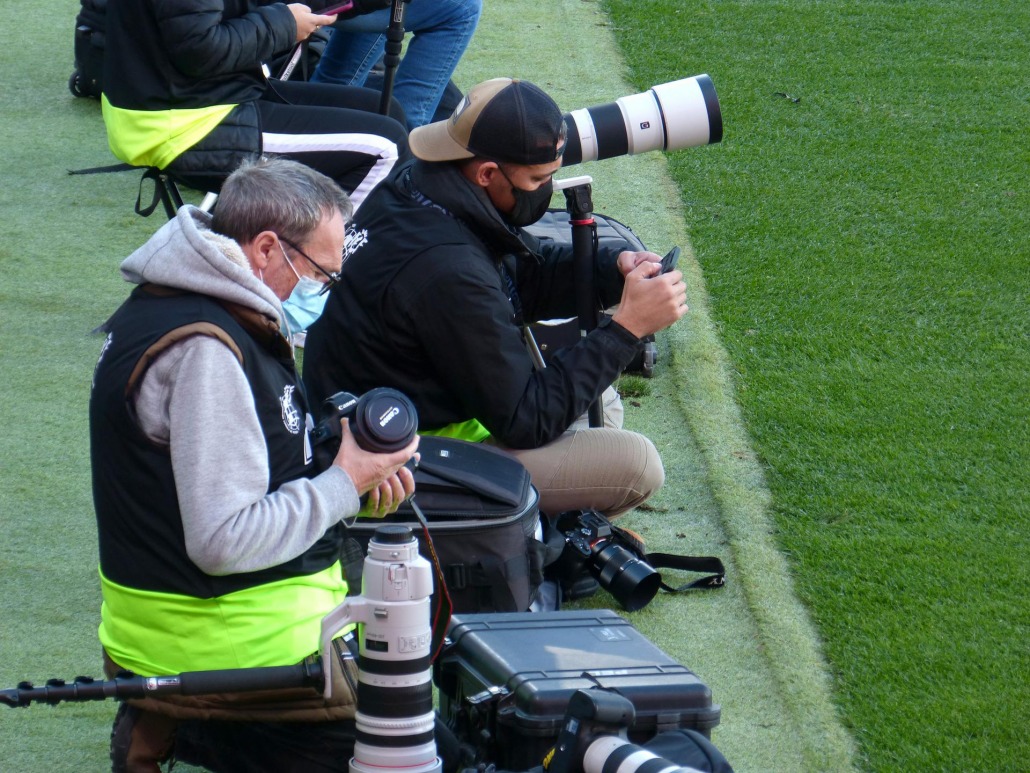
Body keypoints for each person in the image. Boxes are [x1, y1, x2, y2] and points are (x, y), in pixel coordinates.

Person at [89, 157, 418, 771]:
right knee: (422, 751)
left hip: (180, 628)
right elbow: (223, 539)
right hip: (233, 650)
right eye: (320, 273)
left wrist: (338, 465)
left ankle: (169, 723)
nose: (323, 292)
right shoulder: (207, 351)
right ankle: (194, 724)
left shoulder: (177, 304)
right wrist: (344, 483)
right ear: (266, 248)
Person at [302, 78, 688, 520]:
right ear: (486, 173)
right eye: (538, 179)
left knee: (602, 404)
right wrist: (627, 329)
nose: (547, 188)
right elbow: (526, 420)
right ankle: (508, 539)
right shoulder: (446, 268)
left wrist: (611, 269)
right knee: (635, 464)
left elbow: (523, 275)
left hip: (380, 414)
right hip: (392, 461)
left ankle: (529, 527)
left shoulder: (421, 187)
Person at [101, 0, 410, 208]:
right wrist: (285, 23)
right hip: (177, 123)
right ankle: (313, 278)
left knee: (385, 112)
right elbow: (200, 48)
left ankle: (288, 245)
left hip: (207, 95)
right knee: (386, 146)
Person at [312, 0, 482, 129]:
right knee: (464, 7)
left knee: (383, 5)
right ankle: (399, 137)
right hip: (310, 5)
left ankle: (320, 111)